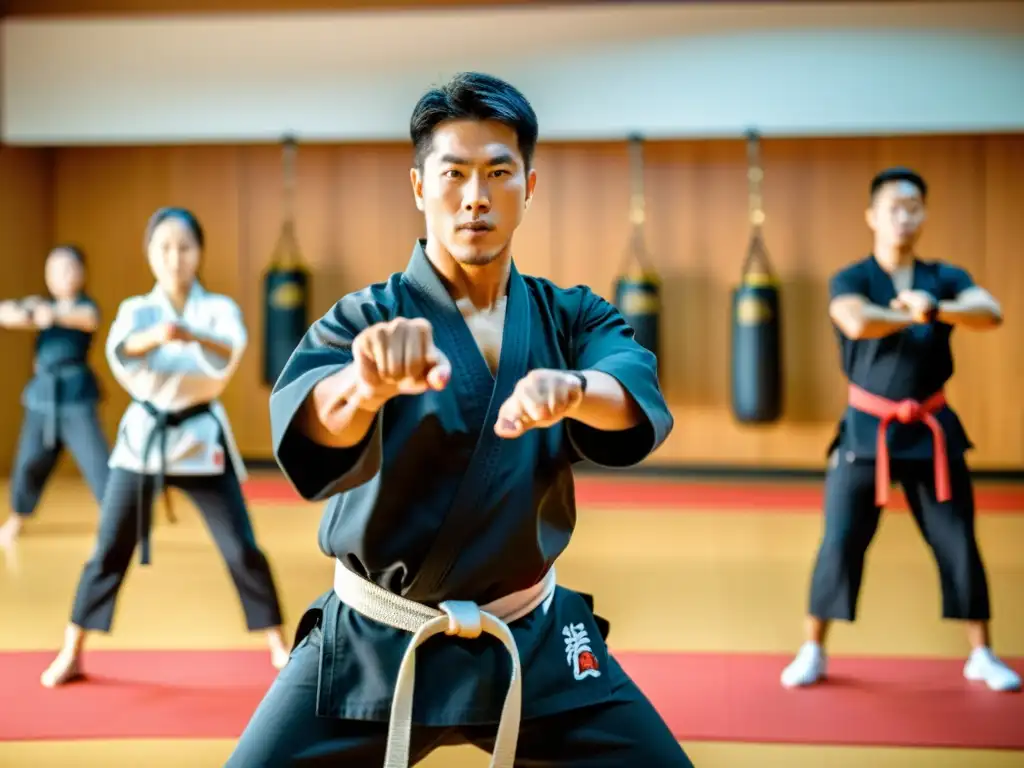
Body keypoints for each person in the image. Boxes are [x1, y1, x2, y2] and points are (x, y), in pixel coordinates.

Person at [227, 72, 692, 767]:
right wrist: (364, 384)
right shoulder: (367, 319)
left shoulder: (570, 316)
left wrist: (572, 390)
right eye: (454, 174)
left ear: (529, 187)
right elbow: (315, 416)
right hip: (376, 640)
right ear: (419, 186)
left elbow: (630, 386)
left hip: (531, 637)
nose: (476, 196)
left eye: (499, 172)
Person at [780, 167, 1021, 693]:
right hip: (866, 431)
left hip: (932, 430)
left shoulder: (943, 278)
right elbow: (854, 320)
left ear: (924, 215)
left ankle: (981, 653)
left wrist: (935, 307)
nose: (904, 216)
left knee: (958, 540)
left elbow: (990, 311)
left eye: (914, 206)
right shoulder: (854, 277)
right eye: (894, 206)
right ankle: (813, 648)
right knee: (840, 541)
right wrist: (915, 317)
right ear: (872, 215)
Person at [40, 207, 290, 688]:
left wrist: (188, 334)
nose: (175, 258)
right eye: (165, 248)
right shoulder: (138, 310)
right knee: (109, 548)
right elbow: (121, 350)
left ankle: (278, 642)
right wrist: (156, 335)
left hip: (200, 441)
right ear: (151, 254)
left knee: (241, 548)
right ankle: (71, 647)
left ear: (199, 253)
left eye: (185, 247)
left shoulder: (217, 309)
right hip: (143, 444)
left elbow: (225, 355)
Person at [0, 246, 110, 548]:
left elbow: (86, 319)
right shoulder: (40, 306)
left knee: (98, 462)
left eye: (67, 268)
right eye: (54, 269)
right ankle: (17, 518)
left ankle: (115, 521)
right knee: (27, 463)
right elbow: (6, 313)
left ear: (81, 273)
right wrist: (31, 312)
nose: (61, 275)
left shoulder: (86, 307)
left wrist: (53, 315)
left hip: (77, 397)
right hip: (41, 398)